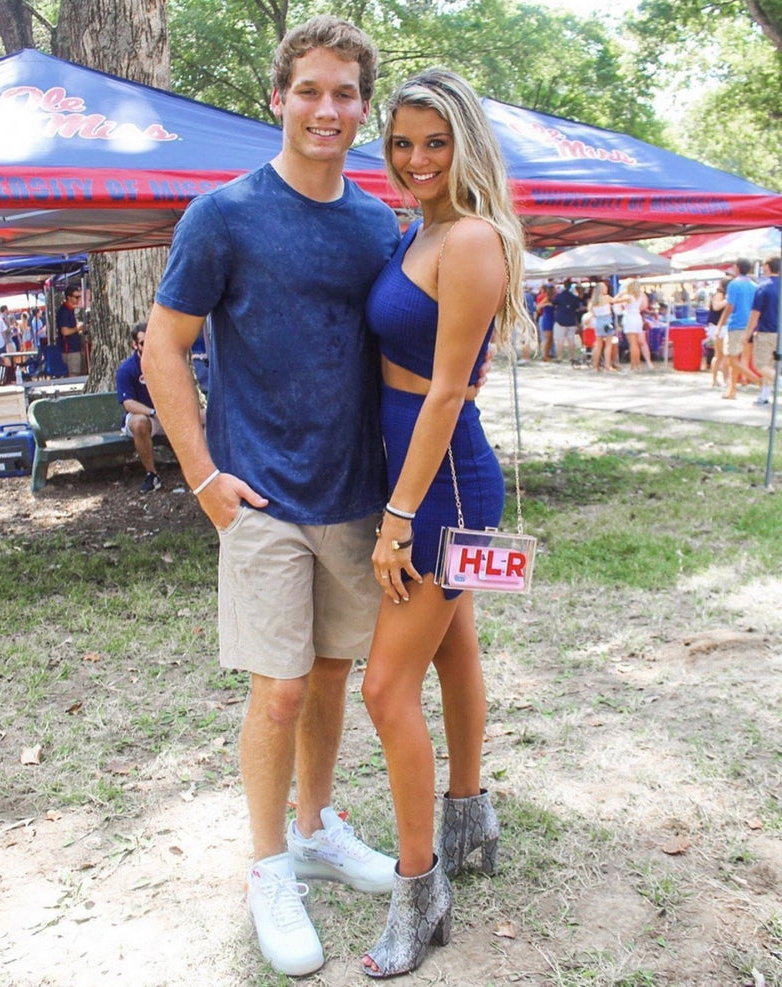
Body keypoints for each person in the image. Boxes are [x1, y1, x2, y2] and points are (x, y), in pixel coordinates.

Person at [142, 17, 403, 979]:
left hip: (358, 496)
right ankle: (266, 868)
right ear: (278, 99)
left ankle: (317, 826)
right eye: (310, 91)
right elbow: (162, 344)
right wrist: (204, 479)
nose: (326, 109)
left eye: (344, 94)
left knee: (332, 673)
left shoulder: (381, 223)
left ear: (363, 109)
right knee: (281, 687)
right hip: (258, 497)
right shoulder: (223, 214)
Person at [361, 68, 527, 978]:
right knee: (453, 649)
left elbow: (449, 392)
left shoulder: (467, 239)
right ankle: (470, 813)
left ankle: (420, 886)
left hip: (443, 487)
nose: (416, 159)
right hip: (420, 479)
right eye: (402, 142)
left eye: (435, 142)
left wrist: (395, 519)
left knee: (386, 689)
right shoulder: (419, 229)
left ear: (465, 143)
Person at [116, 323, 166, 493]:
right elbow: (128, 403)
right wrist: (153, 412)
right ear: (135, 345)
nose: (149, 346)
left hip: (167, 415)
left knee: (206, 417)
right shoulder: (127, 369)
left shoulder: (166, 362)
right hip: (144, 415)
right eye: (144, 343)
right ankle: (152, 475)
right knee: (140, 423)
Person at [719, 259, 761, 400]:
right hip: (750, 325)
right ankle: (732, 390)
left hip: (736, 325)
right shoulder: (755, 286)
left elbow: (729, 306)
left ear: (737, 268)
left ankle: (755, 379)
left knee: (731, 359)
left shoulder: (733, 284)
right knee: (742, 358)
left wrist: (720, 324)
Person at [744, 255, 780, 406]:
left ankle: (777, 384)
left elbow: (755, 314)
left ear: (767, 267)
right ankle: (764, 396)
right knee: (772, 365)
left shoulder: (763, 287)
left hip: (767, 332)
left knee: (761, 365)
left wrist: (748, 333)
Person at [614, 278, 653, 371]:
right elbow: (644, 306)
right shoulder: (640, 295)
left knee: (633, 343)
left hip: (629, 318)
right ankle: (638, 364)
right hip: (637, 317)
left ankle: (633, 364)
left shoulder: (628, 296)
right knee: (638, 343)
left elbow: (615, 301)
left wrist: (620, 294)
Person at [587, 280, 617, 372]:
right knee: (608, 344)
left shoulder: (592, 302)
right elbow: (616, 301)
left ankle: (595, 366)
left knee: (598, 344)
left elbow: (592, 314)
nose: (607, 288)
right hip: (607, 321)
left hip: (598, 321)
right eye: (605, 287)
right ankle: (607, 365)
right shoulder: (606, 298)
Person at [56, 285, 85, 376]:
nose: (79, 299)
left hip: (72, 348)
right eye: (76, 297)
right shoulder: (65, 311)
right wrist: (78, 328)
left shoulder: (70, 310)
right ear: (68, 297)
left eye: (79, 297)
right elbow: (65, 331)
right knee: (74, 375)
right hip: (70, 350)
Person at [707, 278, 729, 387]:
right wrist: (728, 300)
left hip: (720, 327)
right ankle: (719, 379)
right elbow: (716, 307)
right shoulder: (720, 295)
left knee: (721, 355)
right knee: (721, 355)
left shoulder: (721, 294)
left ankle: (720, 379)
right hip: (717, 327)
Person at [552, 278, 581, 362]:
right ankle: (572, 357)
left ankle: (559, 357)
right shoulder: (574, 297)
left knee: (560, 340)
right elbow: (577, 308)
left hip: (560, 320)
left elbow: (554, 303)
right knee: (571, 340)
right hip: (571, 320)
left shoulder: (559, 296)